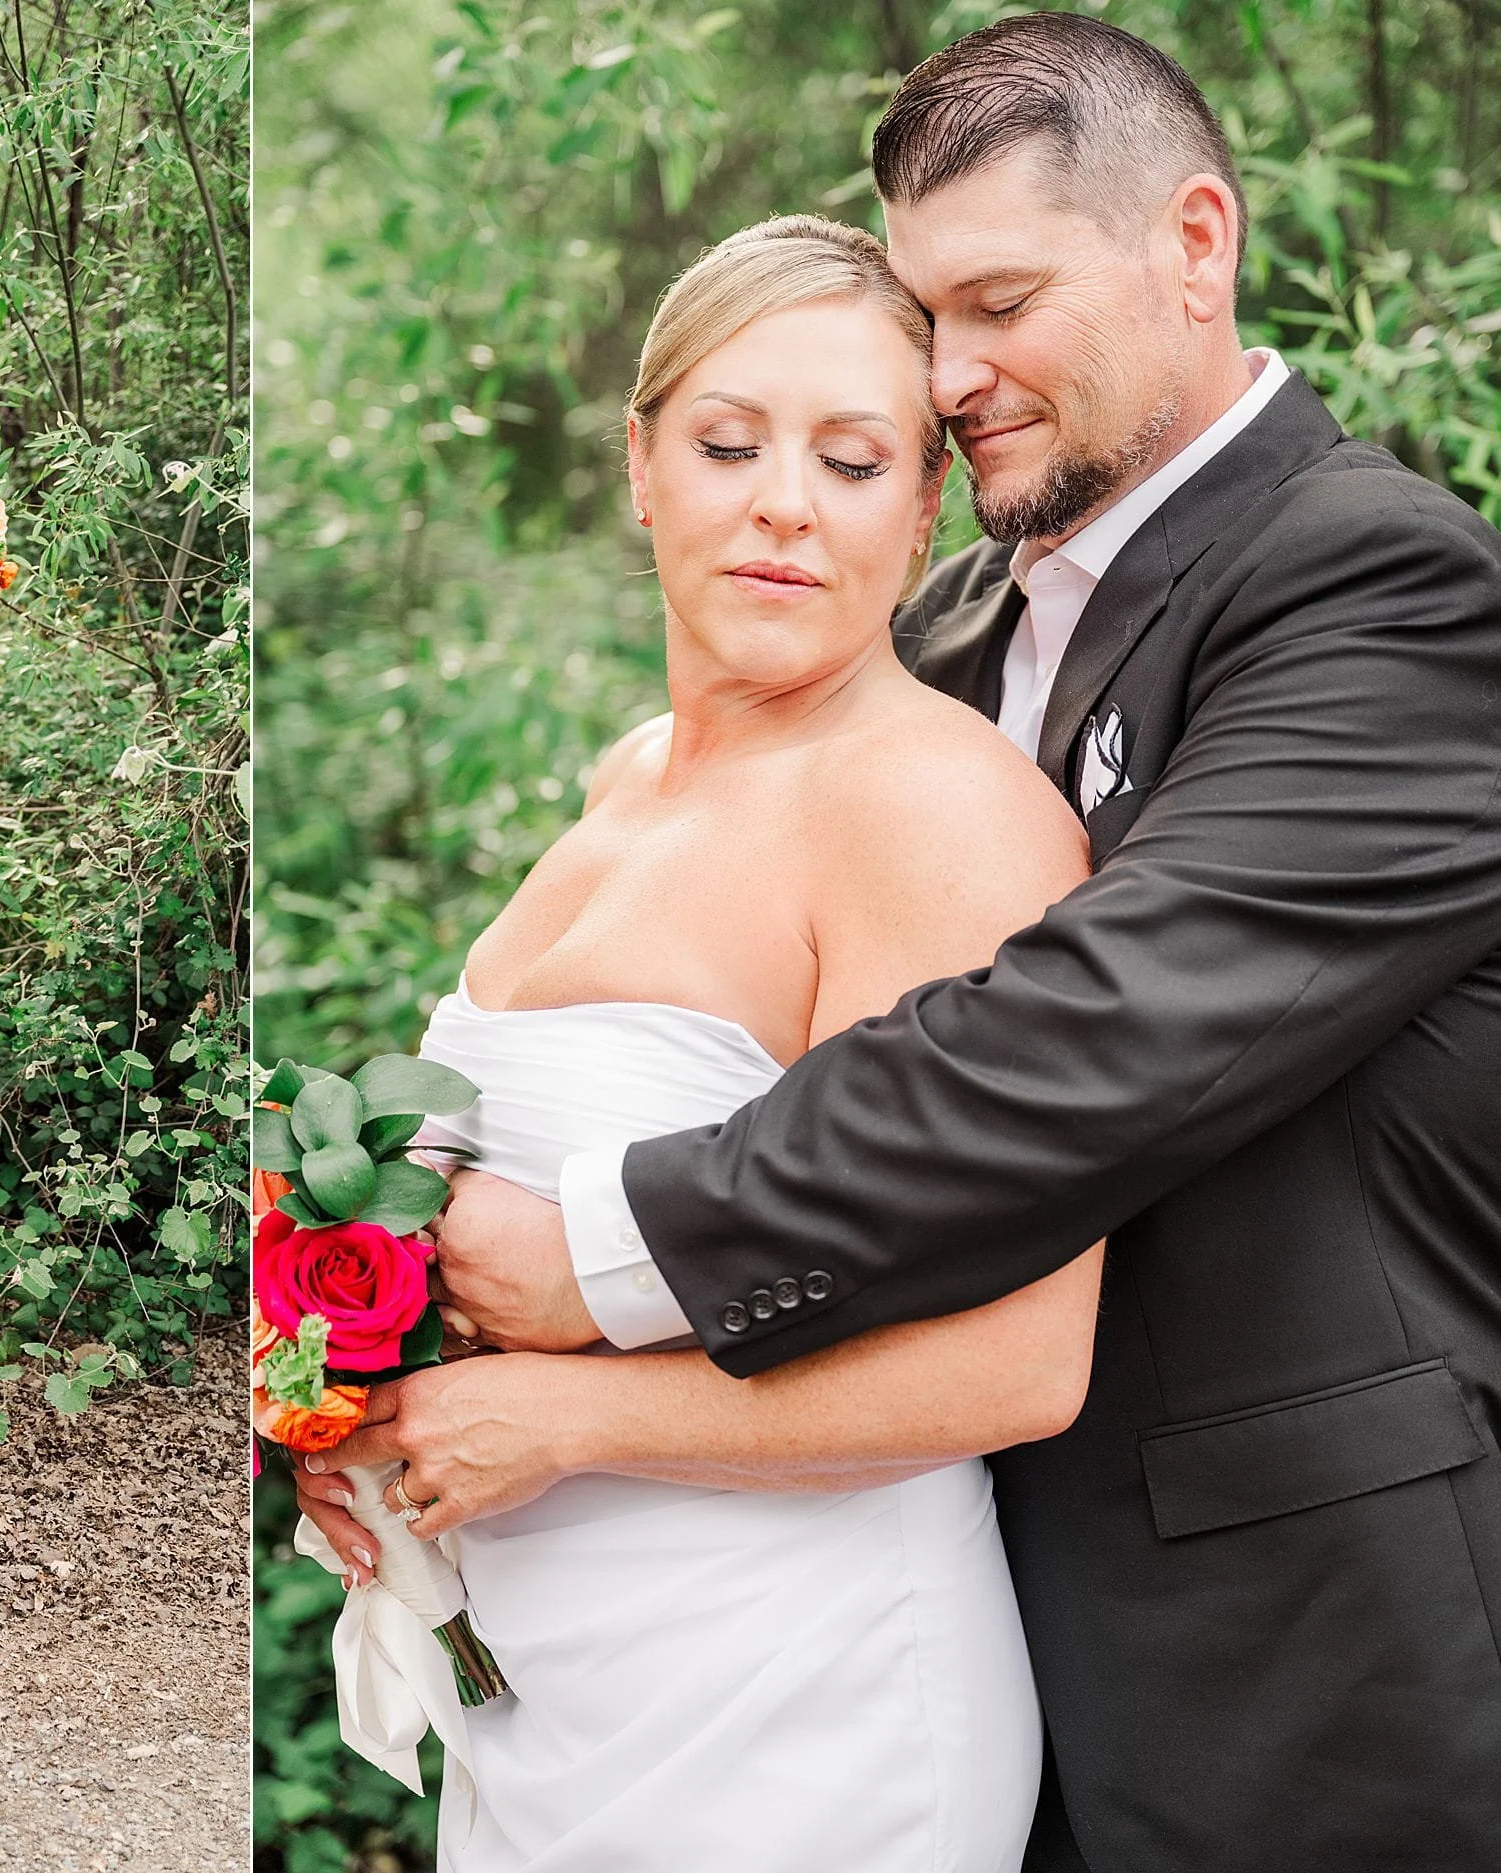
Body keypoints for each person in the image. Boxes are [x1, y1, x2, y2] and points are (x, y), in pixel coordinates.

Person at [377, 15, 1501, 1870]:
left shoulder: (1377, 585)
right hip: (943, 1580)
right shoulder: (957, 623)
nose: (953, 375)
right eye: (927, 323)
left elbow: (1084, 1038)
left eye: (998, 303)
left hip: (1302, 1620)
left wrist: (597, 1254)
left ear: (1196, 248)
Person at [300, 215, 1099, 1872]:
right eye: (729, 442)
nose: (783, 503)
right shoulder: (627, 773)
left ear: (925, 505)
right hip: (551, 1691)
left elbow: (1022, 1367)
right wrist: (355, 1400)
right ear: (642, 469)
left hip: (802, 1704)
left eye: (855, 459)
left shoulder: (937, 810)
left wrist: (573, 1424)